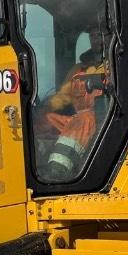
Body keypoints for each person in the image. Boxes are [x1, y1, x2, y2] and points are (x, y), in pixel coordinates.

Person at [35, 29, 110, 182]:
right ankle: (37, 162)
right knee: (46, 119)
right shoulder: (79, 69)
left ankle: (57, 171)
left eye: (100, 34)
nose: (96, 39)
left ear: (109, 37)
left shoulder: (115, 65)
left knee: (81, 122)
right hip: (77, 116)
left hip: (103, 118)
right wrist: (44, 108)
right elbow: (64, 95)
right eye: (93, 35)